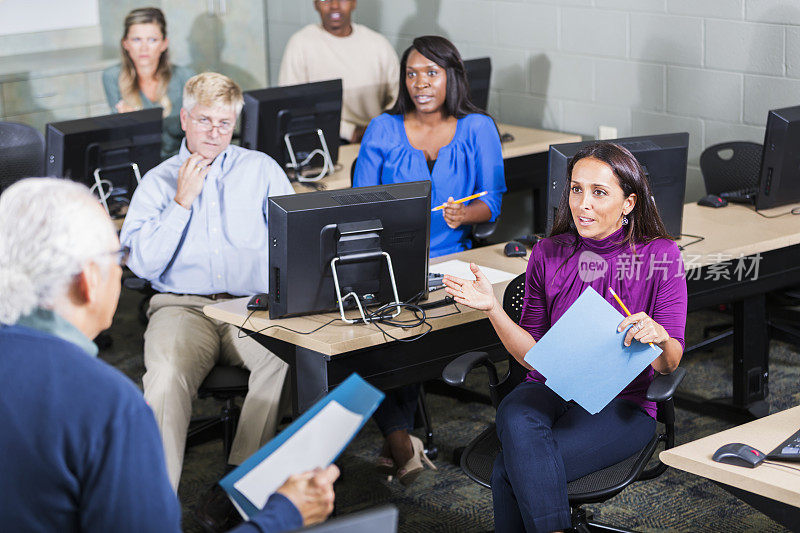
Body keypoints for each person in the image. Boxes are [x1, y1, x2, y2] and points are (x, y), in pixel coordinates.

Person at [0, 178, 339, 532]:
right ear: (89, 281)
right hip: (181, 307)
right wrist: (283, 514)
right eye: (117, 257)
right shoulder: (108, 407)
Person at [443, 142, 687, 532]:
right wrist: (493, 309)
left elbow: (670, 362)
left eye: (599, 192)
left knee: (510, 468)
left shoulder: (662, 256)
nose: (582, 203)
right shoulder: (547, 252)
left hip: (623, 402)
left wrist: (658, 337)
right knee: (514, 410)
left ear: (629, 203)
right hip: (554, 387)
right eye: (576, 189)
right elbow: (532, 357)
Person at [120, 72, 295, 492]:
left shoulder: (261, 170)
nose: (214, 133)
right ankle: (154, 503)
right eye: (204, 121)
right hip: (181, 307)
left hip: (249, 306)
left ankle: (239, 486)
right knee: (164, 374)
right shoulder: (158, 181)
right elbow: (141, 265)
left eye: (224, 123)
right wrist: (181, 202)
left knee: (289, 358)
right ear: (184, 118)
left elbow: (294, 242)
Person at [352, 35, 506, 485]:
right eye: (412, 73)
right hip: (388, 262)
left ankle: (396, 438)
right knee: (382, 333)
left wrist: (465, 212)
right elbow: (361, 204)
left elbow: (492, 203)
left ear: (451, 77)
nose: (420, 83)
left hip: (451, 260)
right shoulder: (383, 127)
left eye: (431, 73)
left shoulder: (478, 128)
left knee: (405, 335)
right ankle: (403, 441)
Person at [278, 0, 399, 143]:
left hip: (377, 137)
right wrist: (349, 131)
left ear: (354, 3)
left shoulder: (378, 44)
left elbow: (398, 98)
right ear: (315, 4)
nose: (334, 5)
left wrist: (380, 128)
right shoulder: (300, 43)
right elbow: (291, 105)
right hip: (323, 138)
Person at [103, 7, 194, 158]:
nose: (144, 48)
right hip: (139, 161)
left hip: (180, 160)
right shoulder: (112, 77)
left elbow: (195, 130)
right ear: (125, 43)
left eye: (152, 40)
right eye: (136, 39)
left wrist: (142, 123)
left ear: (164, 44)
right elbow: (120, 138)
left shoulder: (185, 77)